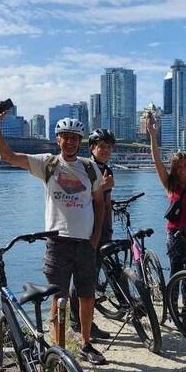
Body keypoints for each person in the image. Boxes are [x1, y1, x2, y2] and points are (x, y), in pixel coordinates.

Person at [0, 112, 108, 365]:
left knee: (87, 296)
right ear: (58, 140)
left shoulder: (90, 168)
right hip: (58, 242)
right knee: (59, 297)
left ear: (80, 141)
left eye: (74, 138)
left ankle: (85, 344)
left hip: (85, 243)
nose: (70, 142)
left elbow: (99, 202)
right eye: (65, 137)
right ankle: (58, 348)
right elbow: (7, 156)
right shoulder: (48, 164)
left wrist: (97, 235)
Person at [147, 117, 186, 280]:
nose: (182, 169)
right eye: (179, 166)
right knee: (176, 269)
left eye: (185, 165)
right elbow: (157, 161)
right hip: (175, 232)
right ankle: (172, 303)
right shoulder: (170, 184)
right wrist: (153, 135)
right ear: (174, 168)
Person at [70, 128, 115, 341]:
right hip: (84, 229)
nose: (105, 150)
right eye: (101, 146)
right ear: (92, 148)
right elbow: (77, 198)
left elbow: (106, 202)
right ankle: (76, 322)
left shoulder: (107, 169)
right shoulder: (84, 168)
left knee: (91, 276)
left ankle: (84, 321)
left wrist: (108, 229)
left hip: (100, 230)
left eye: (108, 147)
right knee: (82, 279)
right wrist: (102, 187)